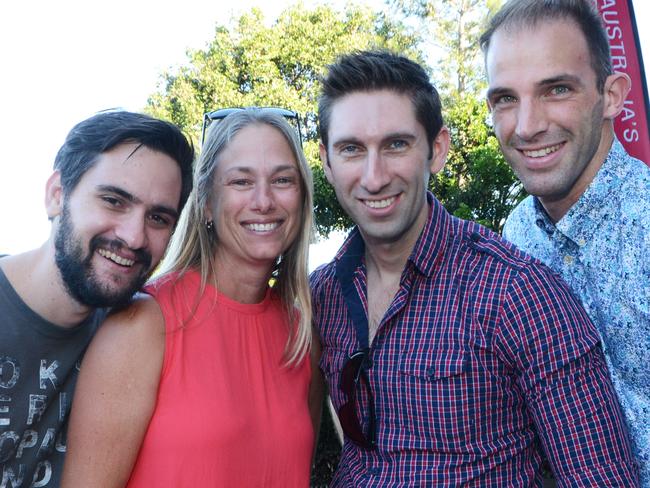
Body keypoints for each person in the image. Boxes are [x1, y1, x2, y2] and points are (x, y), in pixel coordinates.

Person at [310, 49, 639, 486]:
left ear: (437, 150)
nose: (374, 176)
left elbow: (599, 477)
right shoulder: (319, 296)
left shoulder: (520, 293)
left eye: (396, 145)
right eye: (352, 149)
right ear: (327, 162)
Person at [61, 108, 322, 487]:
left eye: (283, 180)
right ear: (207, 204)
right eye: (241, 181)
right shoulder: (143, 327)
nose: (264, 200)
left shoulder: (303, 339)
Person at [480, 0, 649, 484]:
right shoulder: (516, 235)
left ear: (612, 95)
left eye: (556, 89)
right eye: (505, 99)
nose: (527, 125)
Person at [0, 110, 194, 487]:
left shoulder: (136, 332)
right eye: (113, 201)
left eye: (157, 218)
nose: (134, 237)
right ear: (57, 195)